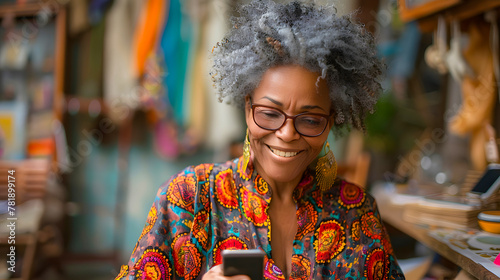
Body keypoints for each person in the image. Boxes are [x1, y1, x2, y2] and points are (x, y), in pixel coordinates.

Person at [115, 1, 405, 279]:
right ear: (247, 107)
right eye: (269, 114)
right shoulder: (188, 200)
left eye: (311, 120)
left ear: (331, 121)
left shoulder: (358, 213)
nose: (287, 133)